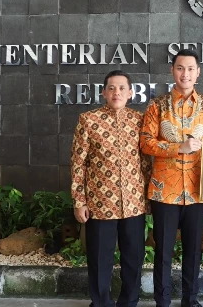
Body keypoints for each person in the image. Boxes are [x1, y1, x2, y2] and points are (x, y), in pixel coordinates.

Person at [140, 49, 203, 307]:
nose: (185, 73)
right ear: (172, 71)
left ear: (198, 73)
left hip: (198, 189)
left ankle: (191, 299)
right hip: (165, 190)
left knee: (193, 250)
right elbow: (146, 142)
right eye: (180, 68)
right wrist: (178, 148)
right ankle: (162, 301)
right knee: (163, 251)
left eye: (190, 69)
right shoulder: (157, 105)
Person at [71, 70, 151, 307]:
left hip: (134, 203)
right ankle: (101, 302)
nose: (117, 92)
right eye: (112, 88)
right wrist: (79, 201)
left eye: (122, 88)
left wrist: (147, 199)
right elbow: (78, 163)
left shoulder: (140, 121)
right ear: (104, 93)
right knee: (99, 259)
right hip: (100, 204)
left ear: (131, 93)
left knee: (134, 259)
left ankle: (129, 302)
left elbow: (146, 162)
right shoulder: (88, 120)